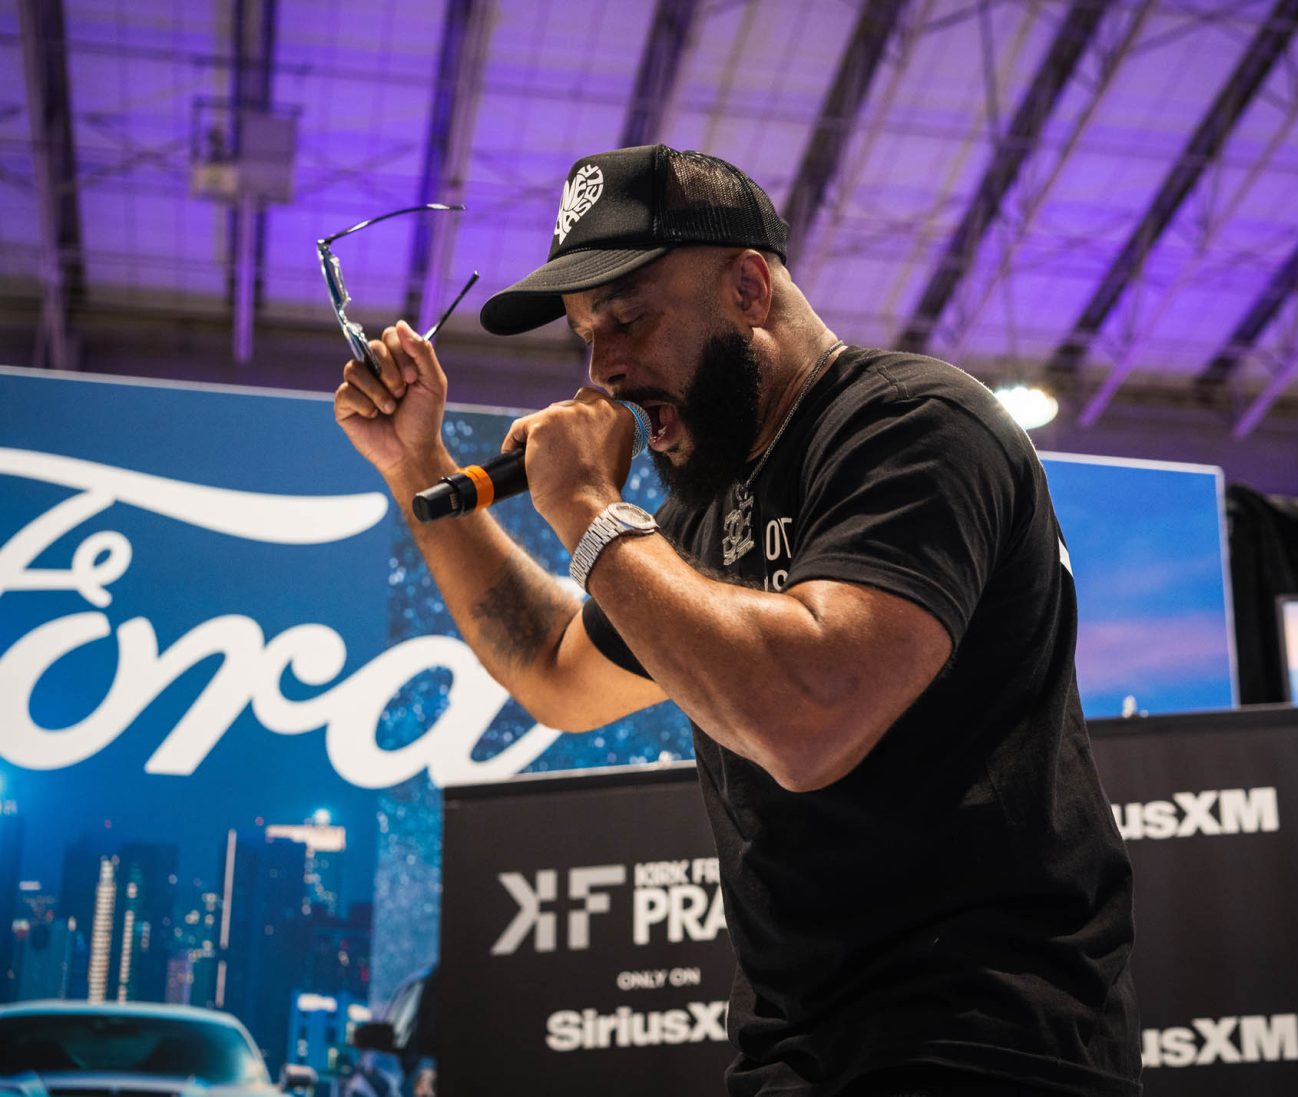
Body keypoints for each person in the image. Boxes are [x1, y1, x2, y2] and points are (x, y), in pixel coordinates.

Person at [334, 144, 1139, 1096]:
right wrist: (418, 466)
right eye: (586, 336)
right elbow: (553, 665)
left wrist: (589, 509)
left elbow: (813, 717)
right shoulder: (698, 518)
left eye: (627, 320)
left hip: (982, 1043)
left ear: (750, 288)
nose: (605, 372)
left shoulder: (915, 427)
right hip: (796, 1053)